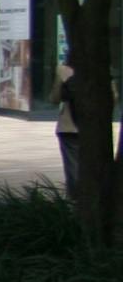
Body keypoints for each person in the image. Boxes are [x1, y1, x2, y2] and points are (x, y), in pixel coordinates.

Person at [55, 56, 80, 199]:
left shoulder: (63, 70)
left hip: (69, 126)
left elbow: (54, 98)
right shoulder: (101, 68)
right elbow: (113, 96)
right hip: (93, 129)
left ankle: (76, 202)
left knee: (73, 169)